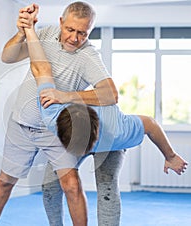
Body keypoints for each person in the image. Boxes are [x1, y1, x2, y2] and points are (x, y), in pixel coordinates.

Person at [0, 2, 123, 226]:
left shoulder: (89, 56)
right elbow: (8, 57)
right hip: (21, 124)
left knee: (71, 185)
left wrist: (66, 96)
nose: (74, 38)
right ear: (61, 22)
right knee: (5, 182)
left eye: (82, 33)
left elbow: (111, 94)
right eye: (70, 29)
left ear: (90, 31)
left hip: (55, 131)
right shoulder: (46, 33)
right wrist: (22, 32)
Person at [24, 18, 187, 175]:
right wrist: (29, 29)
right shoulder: (52, 114)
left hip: (111, 144)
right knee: (51, 184)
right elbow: (41, 67)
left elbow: (151, 124)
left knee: (107, 186)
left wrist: (170, 156)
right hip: (77, 131)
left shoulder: (118, 130)